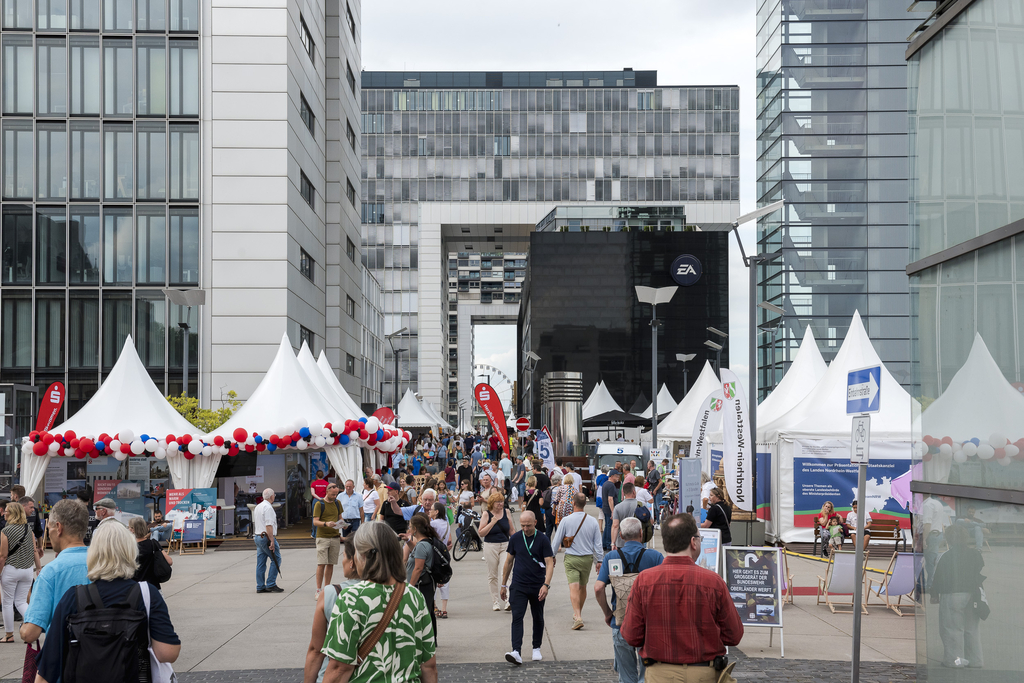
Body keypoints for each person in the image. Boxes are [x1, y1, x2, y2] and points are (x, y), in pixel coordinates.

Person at [35, 522, 181, 683]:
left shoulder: (73, 597)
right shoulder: (147, 594)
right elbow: (168, 653)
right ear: (131, 552)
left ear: (93, 553)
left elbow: (48, 667)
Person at [621, 514, 743, 683]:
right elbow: (734, 635)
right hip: (704, 673)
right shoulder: (713, 582)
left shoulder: (644, 581)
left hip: (659, 673)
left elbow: (631, 635)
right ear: (693, 542)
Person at [320, 522, 438, 683]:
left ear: (362, 555)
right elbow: (428, 666)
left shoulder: (351, 597)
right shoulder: (414, 595)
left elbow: (340, 668)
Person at [595, 517, 665, 683]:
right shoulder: (655, 557)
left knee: (626, 677)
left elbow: (598, 588)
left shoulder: (611, 557)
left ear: (621, 535)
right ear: (641, 534)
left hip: (621, 622)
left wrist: (607, 613)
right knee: (647, 675)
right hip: (649, 623)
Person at [501, 511, 554, 666]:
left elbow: (549, 563)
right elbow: (509, 562)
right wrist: (504, 585)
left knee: (538, 616)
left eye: (528, 525)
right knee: (517, 616)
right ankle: (516, 651)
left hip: (538, 585)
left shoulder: (543, 539)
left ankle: (536, 647)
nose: (525, 528)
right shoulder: (516, 538)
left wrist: (546, 584)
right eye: (523, 525)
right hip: (519, 585)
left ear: (535, 522)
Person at [303, 538, 360, 683]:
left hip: (334, 675)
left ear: (352, 561)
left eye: (344, 556)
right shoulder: (399, 593)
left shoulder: (332, 593)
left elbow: (316, 650)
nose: (343, 561)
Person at [931, 524, 985, 669]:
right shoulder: (975, 554)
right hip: (972, 594)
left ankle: (955, 661)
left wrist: (934, 594)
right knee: (972, 629)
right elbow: (979, 570)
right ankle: (975, 660)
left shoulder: (945, 556)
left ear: (949, 539)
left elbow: (937, 577)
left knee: (952, 629)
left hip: (952, 595)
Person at [550, 494, 603, 631]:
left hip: (572, 558)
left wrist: (552, 555)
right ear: (584, 504)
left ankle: (578, 616)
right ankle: (578, 613)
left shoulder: (566, 520)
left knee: (573, 587)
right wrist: (600, 560)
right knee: (583, 587)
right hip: (587, 558)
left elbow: (557, 540)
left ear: (573, 503)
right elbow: (598, 543)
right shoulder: (592, 521)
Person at [0, 502, 40, 641]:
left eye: (6, 511)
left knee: (7, 602)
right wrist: (39, 567)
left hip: (11, 570)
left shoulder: (6, 531)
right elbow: (34, 550)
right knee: (22, 602)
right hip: (27, 570)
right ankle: (35, 627)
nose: (4, 513)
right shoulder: (28, 529)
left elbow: (3, 556)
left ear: (13, 514)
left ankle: (9, 635)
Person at [404, 514, 439, 642]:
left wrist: (410, 587)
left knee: (422, 612)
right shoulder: (424, 543)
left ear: (415, 529)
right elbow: (417, 553)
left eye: (410, 527)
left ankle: (425, 640)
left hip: (421, 584)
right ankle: (431, 639)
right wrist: (408, 541)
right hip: (427, 583)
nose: (409, 530)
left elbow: (418, 568)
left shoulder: (422, 545)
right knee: (428, 611)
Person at [479, 492, 513, 611]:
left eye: (502, 501)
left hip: (505, 545)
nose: (500, 504)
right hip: (490, 546)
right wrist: (492, 523)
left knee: (507, 573)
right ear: (492, 503)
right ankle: (495, 602)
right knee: (492, 575)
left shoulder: (507, 512)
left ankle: (508, 600)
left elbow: (512, 531)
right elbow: (481, 532)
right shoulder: (486, 514)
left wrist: (517, 544)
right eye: (498, 502)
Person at [313, 482, 344, 597]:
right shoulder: (319, 504)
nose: (334, 496)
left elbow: (340, 518)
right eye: (333, 494)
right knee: (321, 563)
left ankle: (327, 588)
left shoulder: (337, 503)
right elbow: (315, 521)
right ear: (327, 491)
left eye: (336, 494)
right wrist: (326, 524)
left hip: (335, 537)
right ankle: (318, 589)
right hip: (323, 537)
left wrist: (343, 524)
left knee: (331, 563)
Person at [128, 516, 173, 591]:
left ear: (132, 529)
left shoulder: (128, 547)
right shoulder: (153, 543)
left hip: (135, 588)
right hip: (153, 587)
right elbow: (169, 561)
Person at [255, 487, 283, 593]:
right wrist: (271, 540)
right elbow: (269, 525)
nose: (275, 496)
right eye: (274, 494)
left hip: (258, 535)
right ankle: (271, 583)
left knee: (261, 562)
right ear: (271, 496)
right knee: (276, 559)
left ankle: (260, 585)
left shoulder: (258, 506)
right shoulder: (268, 508)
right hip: (266, 537)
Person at [429, 502, 452, 619]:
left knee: (433, 579)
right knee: (444, 580)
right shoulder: (447, 523)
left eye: (431, 509)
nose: (429, 511)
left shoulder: (433, 524)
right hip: (444, 553)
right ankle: (444, 609)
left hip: (434, 554)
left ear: (436, 512)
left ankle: (434, 606)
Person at [610, 481, 640, 550]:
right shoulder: (641, 505)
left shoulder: (617, 507)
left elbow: (615, 526)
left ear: (624, 493)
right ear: (633, 492)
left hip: (622, 542)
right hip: (637, 541)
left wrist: (613, 543)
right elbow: (651, 521)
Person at [602, 470, 622, 550]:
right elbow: (610, 499)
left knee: (607, 525)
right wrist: (613, 511)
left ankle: (604, 544)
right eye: (617, 476)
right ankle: (608, 544)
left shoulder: (606, 484)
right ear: (612, 476)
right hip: (609, 508)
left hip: (605, 507)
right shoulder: (611, 485)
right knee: (610, 526)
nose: (618, 477)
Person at [646, 461, 664, 526]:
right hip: (653, 492)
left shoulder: (655, 472)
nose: (647, 466)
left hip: (658, 492)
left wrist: (655, 489)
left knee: (657, 507)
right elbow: (647, 481)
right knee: (655, 507)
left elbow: (660, 482)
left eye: (648, 465)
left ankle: (659, 523)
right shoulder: (650, 473)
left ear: (650, 465)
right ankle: (657, 522)